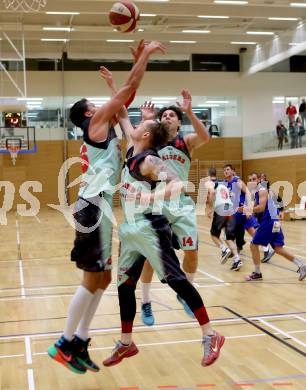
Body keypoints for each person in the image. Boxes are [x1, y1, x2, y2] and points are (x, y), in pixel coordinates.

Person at [47, 40, 166, 374]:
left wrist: (120, 82)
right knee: (91, 279)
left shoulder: (104, 127)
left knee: (102, 279)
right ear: (89, 112)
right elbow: (129, 90)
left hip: (100, 209)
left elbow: (124, 99)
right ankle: (64, 342)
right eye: (97, 103)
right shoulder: (95, 124)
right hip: (92, 207)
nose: (104, 104)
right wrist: (142, 57)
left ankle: (80, 341)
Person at [102, 105, 225, 368]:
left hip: (150, 227)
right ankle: (126, 343)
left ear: (145, 136)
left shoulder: (150, 160)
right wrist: (114, 85)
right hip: (130, 229)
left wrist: (149, 196)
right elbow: (123, 115)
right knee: (124, 285)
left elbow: (177, 184)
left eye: (141, 126)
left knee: (176, 280)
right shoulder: (133, 148)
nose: (136, 126)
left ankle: (211, 335)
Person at [139, 91, 210, 325]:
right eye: (164, 115)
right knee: (152, 257)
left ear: (179, 121)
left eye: (172, 115)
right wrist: (145, 119)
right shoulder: (153, 141)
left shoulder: (186, 142)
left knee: (192, 252)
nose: (168, 117)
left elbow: (205, 137)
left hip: (181, 203)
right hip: (157, 200)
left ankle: (185, 293)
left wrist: (190, 111)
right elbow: (135, 142)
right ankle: (146, 302)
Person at [246, 172, 306, 281]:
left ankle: (257, 273)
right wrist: (248, 210)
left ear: (259, 180)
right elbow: (255, 206)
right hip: (275, 221)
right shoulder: (258, 192)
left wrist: (249, 210)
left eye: (254, 179)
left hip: (269, 222)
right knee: (278, 249)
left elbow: (261, 207)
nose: (252, 181)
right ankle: (302, 265)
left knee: (253, 245)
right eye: (250, 180)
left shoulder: (262, 190)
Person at [206, 168, 241, 268]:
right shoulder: (223, 184)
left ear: (208, 174)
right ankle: (237, 260)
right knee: (229, 237)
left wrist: (209, 208)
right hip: (230, 208)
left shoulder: (210, 182)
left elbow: (212, 193)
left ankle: (224, 249)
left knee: (213, 234)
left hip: (221, 208)